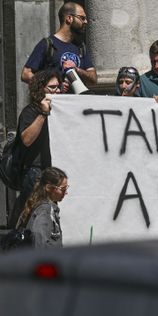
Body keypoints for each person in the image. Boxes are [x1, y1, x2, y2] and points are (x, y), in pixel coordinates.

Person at [8, 70, 62, 229]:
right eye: (52, 87)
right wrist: (43, 114)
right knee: (33, 216)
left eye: (58, 87)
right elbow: (27, 139)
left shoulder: (58, 112)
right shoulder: (30, 112)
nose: (56, 91)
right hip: (34, 172)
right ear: (40, 89)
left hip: (51, 171)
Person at [21, 2, 97, 90]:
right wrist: (48, 85)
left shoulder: (80, 46)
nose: (86, 22)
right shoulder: (47, 44)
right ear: (69, 18)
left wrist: (77, 70)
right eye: (82, 18)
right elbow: (26, 74)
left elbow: (93, 79)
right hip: (53, 102)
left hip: (77, 102)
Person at [19, 167, 68, 248]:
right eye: (62, 189)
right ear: (48, 188)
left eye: (66, 188)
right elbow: (39, 238)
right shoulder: (45, 210)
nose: (66, 192)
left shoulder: (46, 207)